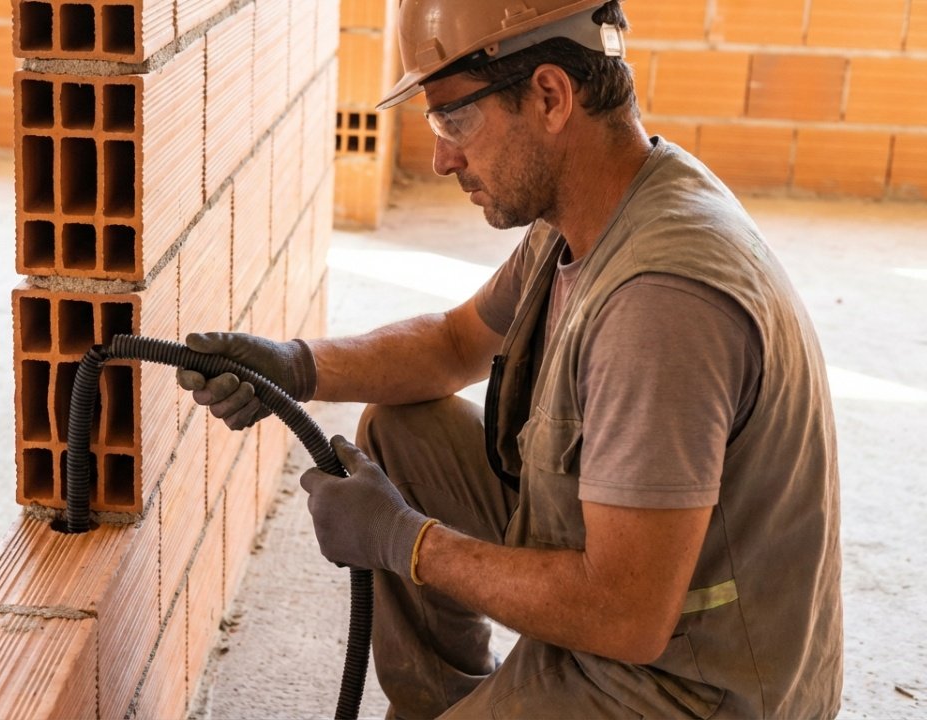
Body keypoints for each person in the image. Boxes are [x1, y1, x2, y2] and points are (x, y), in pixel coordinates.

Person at [176, 0, 844, 716]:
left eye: (454, 121)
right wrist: (295, 366)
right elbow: (453, 342)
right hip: (628, 589)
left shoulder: (661, 303)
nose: (442, 158)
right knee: (405, 437)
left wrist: (406, 541)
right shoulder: (593, 210)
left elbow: (627, 617)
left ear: (550, 96)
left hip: (689, 685)